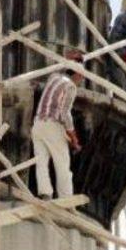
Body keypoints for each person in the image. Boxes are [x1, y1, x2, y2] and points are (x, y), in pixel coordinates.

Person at [31, 50, 84, 200]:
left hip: (37, 124)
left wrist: (70, 59)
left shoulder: (53, 77)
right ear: (77, 74)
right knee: (62, 165)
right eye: (81, 75)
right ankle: (66, 200)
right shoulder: (71, 87)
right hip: (52, 125)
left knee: (41, 162)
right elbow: (65, 113)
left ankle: (45, 194)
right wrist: (74, 138)